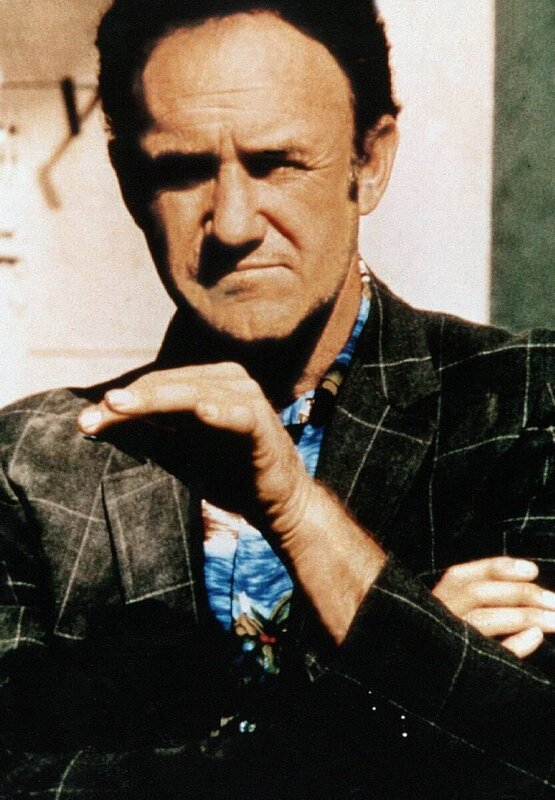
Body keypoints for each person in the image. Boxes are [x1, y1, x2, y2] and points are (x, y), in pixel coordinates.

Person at [0, 1, 553, 797]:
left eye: (277, 164)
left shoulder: (525, 399)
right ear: (128, 182)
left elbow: (535, 755)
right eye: (183, 170)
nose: (232, 223)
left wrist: (296, 509)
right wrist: (402, 675)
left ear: (370, 161)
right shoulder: (31, 465)